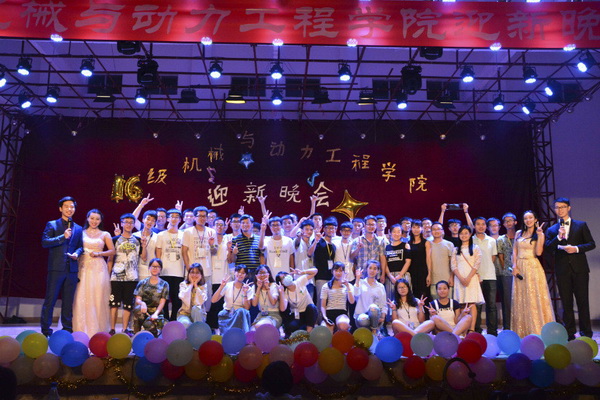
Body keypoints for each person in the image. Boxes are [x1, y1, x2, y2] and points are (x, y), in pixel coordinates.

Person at [545, 197, 596, 340]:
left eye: (562, 207)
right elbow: (548, 248)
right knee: (566, 303)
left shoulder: (581, 225)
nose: (559, 210)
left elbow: (591, 244)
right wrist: (558, 238)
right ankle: (569, 333)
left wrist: (576, 248)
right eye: (557, 207)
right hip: (562, 270)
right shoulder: (552, 229)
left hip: (580, 269)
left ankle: (586, 333)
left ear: (569, 208)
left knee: (582, 301)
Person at [41, 196, 84, 337]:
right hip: (56, 268)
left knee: (68, 302)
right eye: (66, 206)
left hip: (71, 270)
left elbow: (80, 247)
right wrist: (62, 237)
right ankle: (46, 331)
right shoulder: (52, 224)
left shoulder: (78, 228)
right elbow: (45, 242)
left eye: (72, 207)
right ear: (60, 208)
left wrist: (77, 254)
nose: (69, 209)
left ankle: (67, 330)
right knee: (50, 300)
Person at [512, 211, 555, 337]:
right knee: (521, 298)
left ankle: (537, 330)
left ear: (535, 219)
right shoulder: (518, 233)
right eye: (526, 218)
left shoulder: (539, 234)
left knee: (533, 298)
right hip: (519, 267)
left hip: (532, 267)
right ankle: (522, 332)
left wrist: (540, 235)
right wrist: (514, 266)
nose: (528, 220)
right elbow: (514, 250)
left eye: (531, 218)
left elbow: (539, 253)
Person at [72, 209, 115, 336]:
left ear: (100, 221)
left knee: (97, 297)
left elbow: (112, 251)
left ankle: (97, 330)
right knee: (81, 296)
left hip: (98, 268)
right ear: (87, 218)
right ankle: (80, 329)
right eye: (92, 218)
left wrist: (99, 253)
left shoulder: (105, 234)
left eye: (97, 219)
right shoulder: (80, 232)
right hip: (83, 267)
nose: (94, 221)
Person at [107, 213, 143, 336]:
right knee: (114, 303)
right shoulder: (115, 239)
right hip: (116, 276)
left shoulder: (138, 240)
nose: (128, 225)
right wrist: (108, 275)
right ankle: (112, 329)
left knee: (128, 304)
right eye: (126, 222)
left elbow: (143, 257)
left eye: (131, 222)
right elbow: (110, 259)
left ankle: (124, 329)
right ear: (121, 223)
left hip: (132, 277)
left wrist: (144, 245)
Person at [451, 226, 483, 333]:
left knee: (471, 303)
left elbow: (477, 264)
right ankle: (463, 329)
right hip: (459, 278)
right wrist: (461, 278)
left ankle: (471, 329)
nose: (463, 235)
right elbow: (453, 266)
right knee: (461, 302)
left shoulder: (475, 248)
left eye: (466, 233)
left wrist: (468, 278)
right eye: (461, 233)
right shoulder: (455, 249)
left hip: (471, 278)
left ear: (470, 234)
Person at [155, 209, 185, 320]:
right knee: (164, 299)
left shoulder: (183, 234)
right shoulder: (161, 235)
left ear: (180, 220)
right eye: (172, 216)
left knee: (177, 299)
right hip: (164, 271)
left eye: (177, 217)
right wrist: (158, 271)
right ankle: (165, 320)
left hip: (179, 271)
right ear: (167, 218)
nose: (174, 219)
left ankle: (174, 321)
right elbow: (158, 254)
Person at [472, 216, 498, 336]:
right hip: (476, 277)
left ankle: (492, 331)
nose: (481, 226)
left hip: (490, 276)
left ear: (486, 226)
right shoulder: (471, 240)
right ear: (474, 226)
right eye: (478, 224)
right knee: (477, 305)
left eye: (483, 224)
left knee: (491, 305)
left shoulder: (491, 240)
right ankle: (477, 330)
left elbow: (493, 258)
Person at [211, 265, 254, 334]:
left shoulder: (248, 289)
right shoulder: (228, 285)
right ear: (234, 272)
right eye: (238, 272)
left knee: (242, 311)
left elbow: (247, 308)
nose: (240, 274)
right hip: (227, 313)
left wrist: (245, 293)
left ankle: (244, 335)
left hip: (240, 316)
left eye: (243, 273)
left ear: (246, 275)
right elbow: (213, 300)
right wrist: (221, 286)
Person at [132, 258, 169, 336]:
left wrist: (155, 314)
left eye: (157, 267)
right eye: (153, 266)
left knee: (153, 326)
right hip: (144, 310)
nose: (155, 268)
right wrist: (142, 304)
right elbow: (138, 299)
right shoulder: (142, 283)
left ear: (160, 269)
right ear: (149, 268)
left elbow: (162, 302)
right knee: (137, 309)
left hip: (157, 312)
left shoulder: (165, 284)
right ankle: (136, 334)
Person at [276, 267, 319, 337]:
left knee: (311, 307)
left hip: (309, 312)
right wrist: (281, 293)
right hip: (298, 315)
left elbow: (315, 271)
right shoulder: (286, 293)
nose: (286, 277)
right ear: (282, 283)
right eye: (283, 278)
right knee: (291, 327)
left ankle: (308, 334)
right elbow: (282, 309)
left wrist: (302, 272)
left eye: (286, 275)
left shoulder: (299, 281)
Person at [354, 260, 387, 335]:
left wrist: (383, 317)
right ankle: (370, 334)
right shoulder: (360, 282)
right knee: (364, 320)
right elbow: (355, 294)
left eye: (375, 269)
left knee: (373, 307)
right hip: (361, 315)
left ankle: (374, 331)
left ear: (378, 271)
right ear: (367, 269)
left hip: (376, 316)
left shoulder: (380, 286)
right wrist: (357, 279)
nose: (372, 270)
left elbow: (383, 304)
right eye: (370, 268)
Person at [496, 212, 517, 330]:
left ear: (515, 222)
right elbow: (501, 257)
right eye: (506, 221)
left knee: (521, 299)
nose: (508, 223)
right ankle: (508, 326)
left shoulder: (520, 237)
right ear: (503, 224)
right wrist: (506, 269)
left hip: (520, 272)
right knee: (507, 301)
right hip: (507, 274)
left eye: (510, 220)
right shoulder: (501, 239)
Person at [320, 262, 355, 332]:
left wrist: (348, 287)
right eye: (336, 270)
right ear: (332, 271)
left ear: (344, 272)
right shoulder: (326, 286)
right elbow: (323, 305)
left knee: (343, 325)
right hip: (329, 313)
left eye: (340, 271)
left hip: (342, 313)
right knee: (325, 330)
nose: (338, 273)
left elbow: (352, 301)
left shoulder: (348, 286)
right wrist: (325, 317)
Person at [383, 223, 412, 301]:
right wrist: (390, 276)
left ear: (401, 233)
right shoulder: (387, 247)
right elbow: (385, 263)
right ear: (390, 233)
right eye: (394, 231)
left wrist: (400, 275)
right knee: (391, 300)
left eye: (399, 231)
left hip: (403, 275)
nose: (396, 234)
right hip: (390, 277)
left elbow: (408, 262)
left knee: (405, 299)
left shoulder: (406, 245)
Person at [429, 222, 455, 299]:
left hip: (447, 279)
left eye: (438, 229)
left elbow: (452, 263)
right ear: (431, 232)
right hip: (433, 280)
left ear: (443, 231)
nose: (436, 231)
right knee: (435, 303)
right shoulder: (428, 244)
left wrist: (451, 277)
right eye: (434, 229)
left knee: (448, 303)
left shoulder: (449, 244)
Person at [408, 219, 432, 301]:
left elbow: (428, 259)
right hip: (412, 272)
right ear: (411, 229)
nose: (416, 229)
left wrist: (429, 274)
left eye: (418, 227)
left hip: (423, 272)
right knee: (413, 295)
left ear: (422, 229)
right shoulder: (408, 243)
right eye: (414, 227)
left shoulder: (426, 242)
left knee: (424, 295)